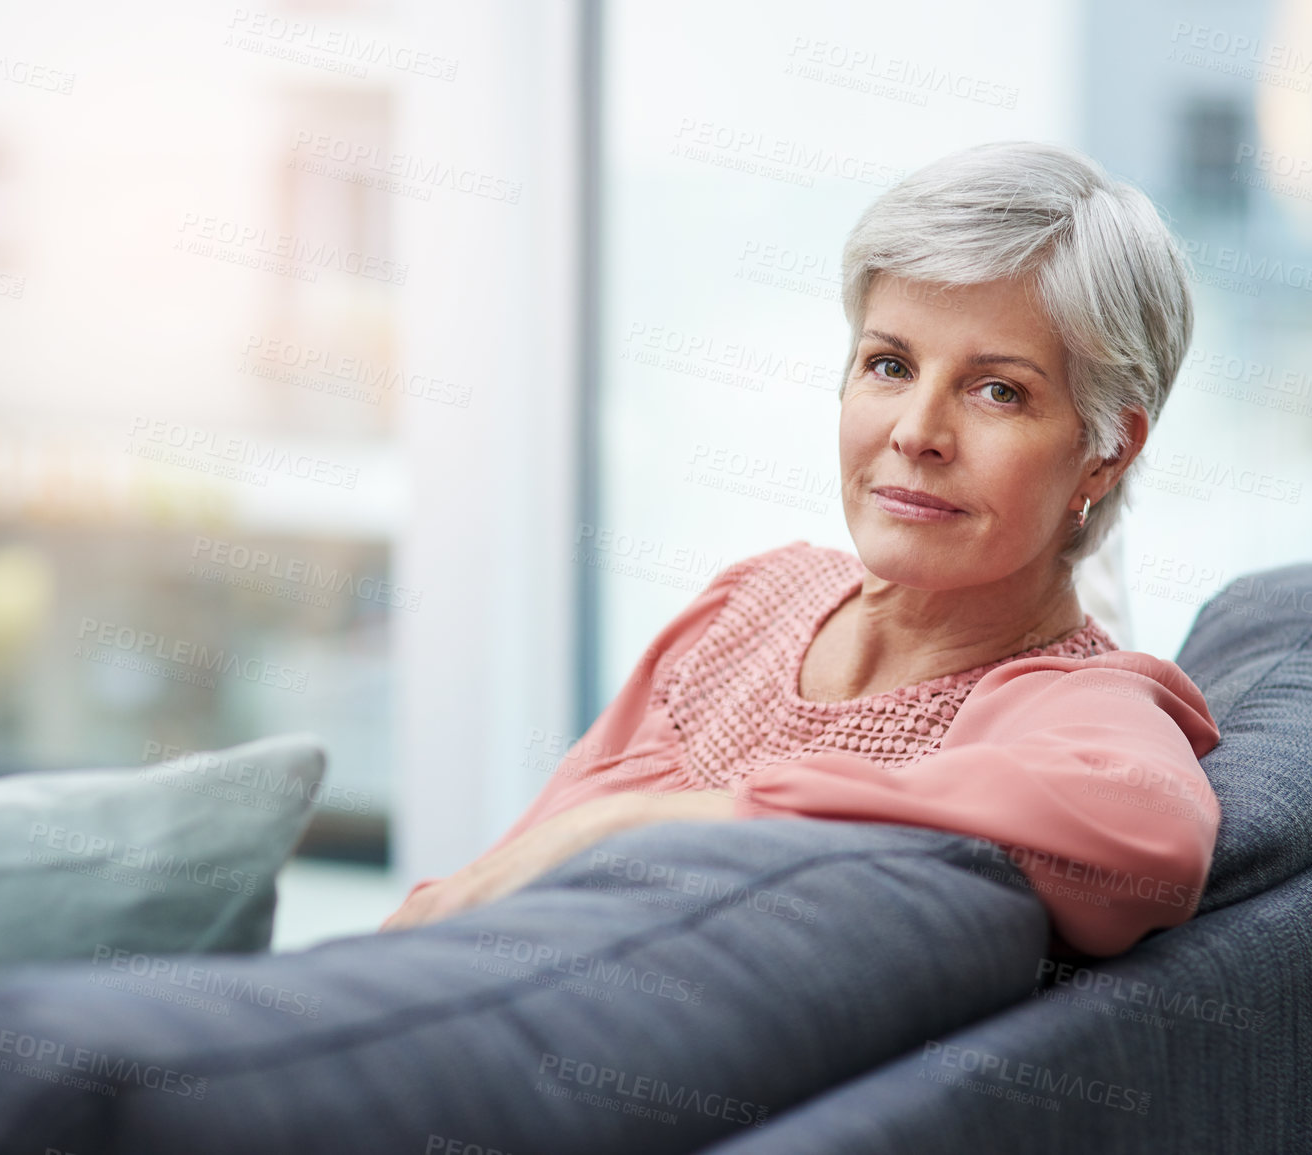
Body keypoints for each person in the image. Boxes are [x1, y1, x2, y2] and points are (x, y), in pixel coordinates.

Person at [382, 139, 1221, 959]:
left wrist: (661, 820)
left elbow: (1153, 833)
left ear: (1107, 450)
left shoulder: (1063, 700)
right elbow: (487, 884)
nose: (916, 432)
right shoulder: (751, 598)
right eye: (889, 365)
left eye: (997, 390)